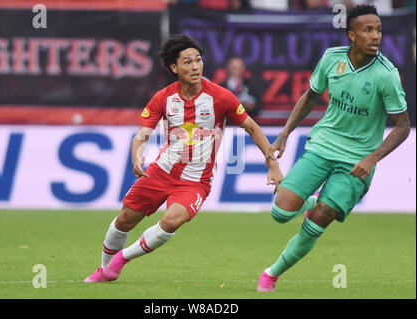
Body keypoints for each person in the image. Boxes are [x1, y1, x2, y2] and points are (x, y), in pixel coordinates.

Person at [84, 34, 284, 283]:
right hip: (161, 171)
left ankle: (121, 258)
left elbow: (253, 128)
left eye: (198, 60)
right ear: (174, 67)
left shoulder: (221, 97)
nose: (195, 66)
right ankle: (105, 271)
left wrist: (273, 165)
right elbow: (143, 133)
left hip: (195, 180)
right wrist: (137, 155)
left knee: (172, 220)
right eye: (187, 62)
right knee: (124, 220)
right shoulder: (163, 97)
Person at [257, 5, 410, 292]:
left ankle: (270, 275)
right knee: (280, 213)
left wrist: (372, 158)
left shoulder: (386, 75)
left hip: (356, 162)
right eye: (368, 30)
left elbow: (402, 127)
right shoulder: (331, 59)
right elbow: (311, 96)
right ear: (352, 35)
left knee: (320, 219)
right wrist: (285, 133)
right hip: (322, 147)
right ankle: (312, 201)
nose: (375, 35)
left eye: (378, 29)